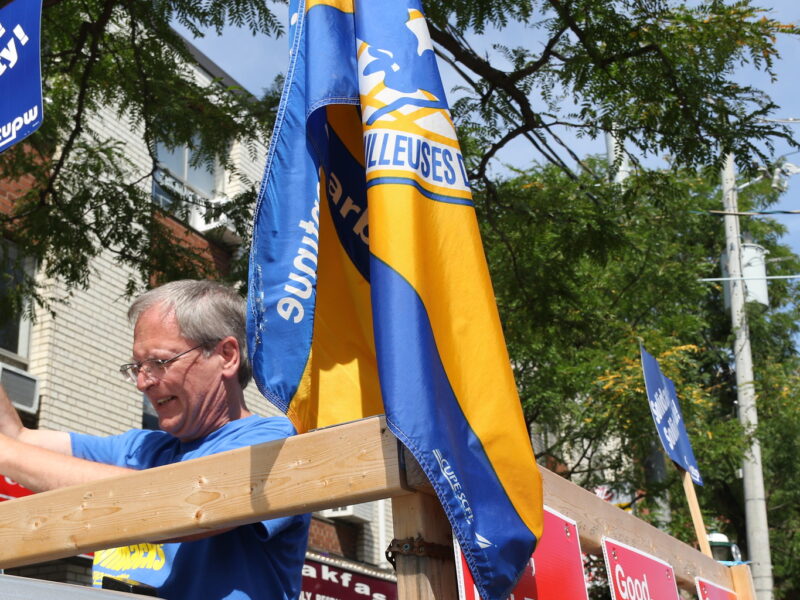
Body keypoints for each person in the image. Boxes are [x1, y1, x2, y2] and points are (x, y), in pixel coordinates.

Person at [0, 279, 310, 599]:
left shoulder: (274, 444)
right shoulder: (141, 448)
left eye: (159, 363)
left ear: (227, 355)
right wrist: (8, 448)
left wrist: (6, 454)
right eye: (137, 367)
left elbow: (187, 505)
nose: (143, 383)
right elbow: (16, 436)